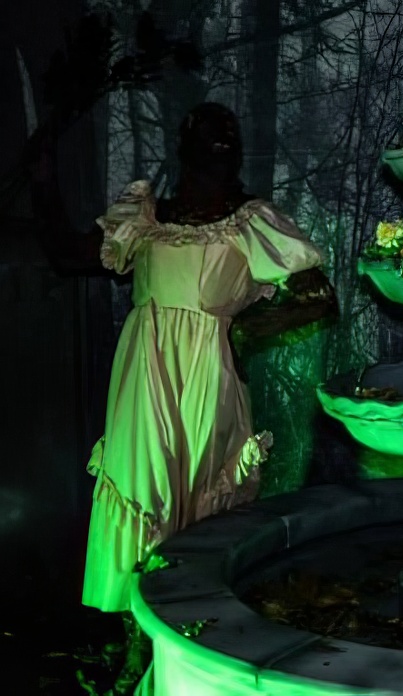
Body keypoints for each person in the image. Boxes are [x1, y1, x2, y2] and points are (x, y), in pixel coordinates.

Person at [30, 102, 336, 690]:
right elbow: (68, 256)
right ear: (184, 144)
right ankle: (136, 653)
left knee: (201, 506)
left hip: (208, 380)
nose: (222, 139)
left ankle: (200, 652)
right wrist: (44, 185)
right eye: (209, 131)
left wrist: (244, 332)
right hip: (144, 380)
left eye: (231, 132)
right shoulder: (147, 217)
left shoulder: (252, 222)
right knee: (142, 495)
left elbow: (318, 295)